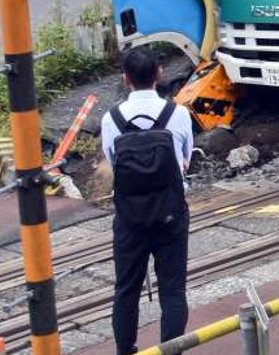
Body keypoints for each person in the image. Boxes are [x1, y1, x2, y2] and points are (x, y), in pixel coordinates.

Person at [101, 47, 194, 355]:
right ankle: (170, 351)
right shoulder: (178, 113)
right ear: (159, 74)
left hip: (129, 217)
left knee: (126, 290)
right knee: (173, 291)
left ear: (125, 78)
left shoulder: (110, 119)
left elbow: (113, 162)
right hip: (171, 214)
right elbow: (185, 161)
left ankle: (125, 350)